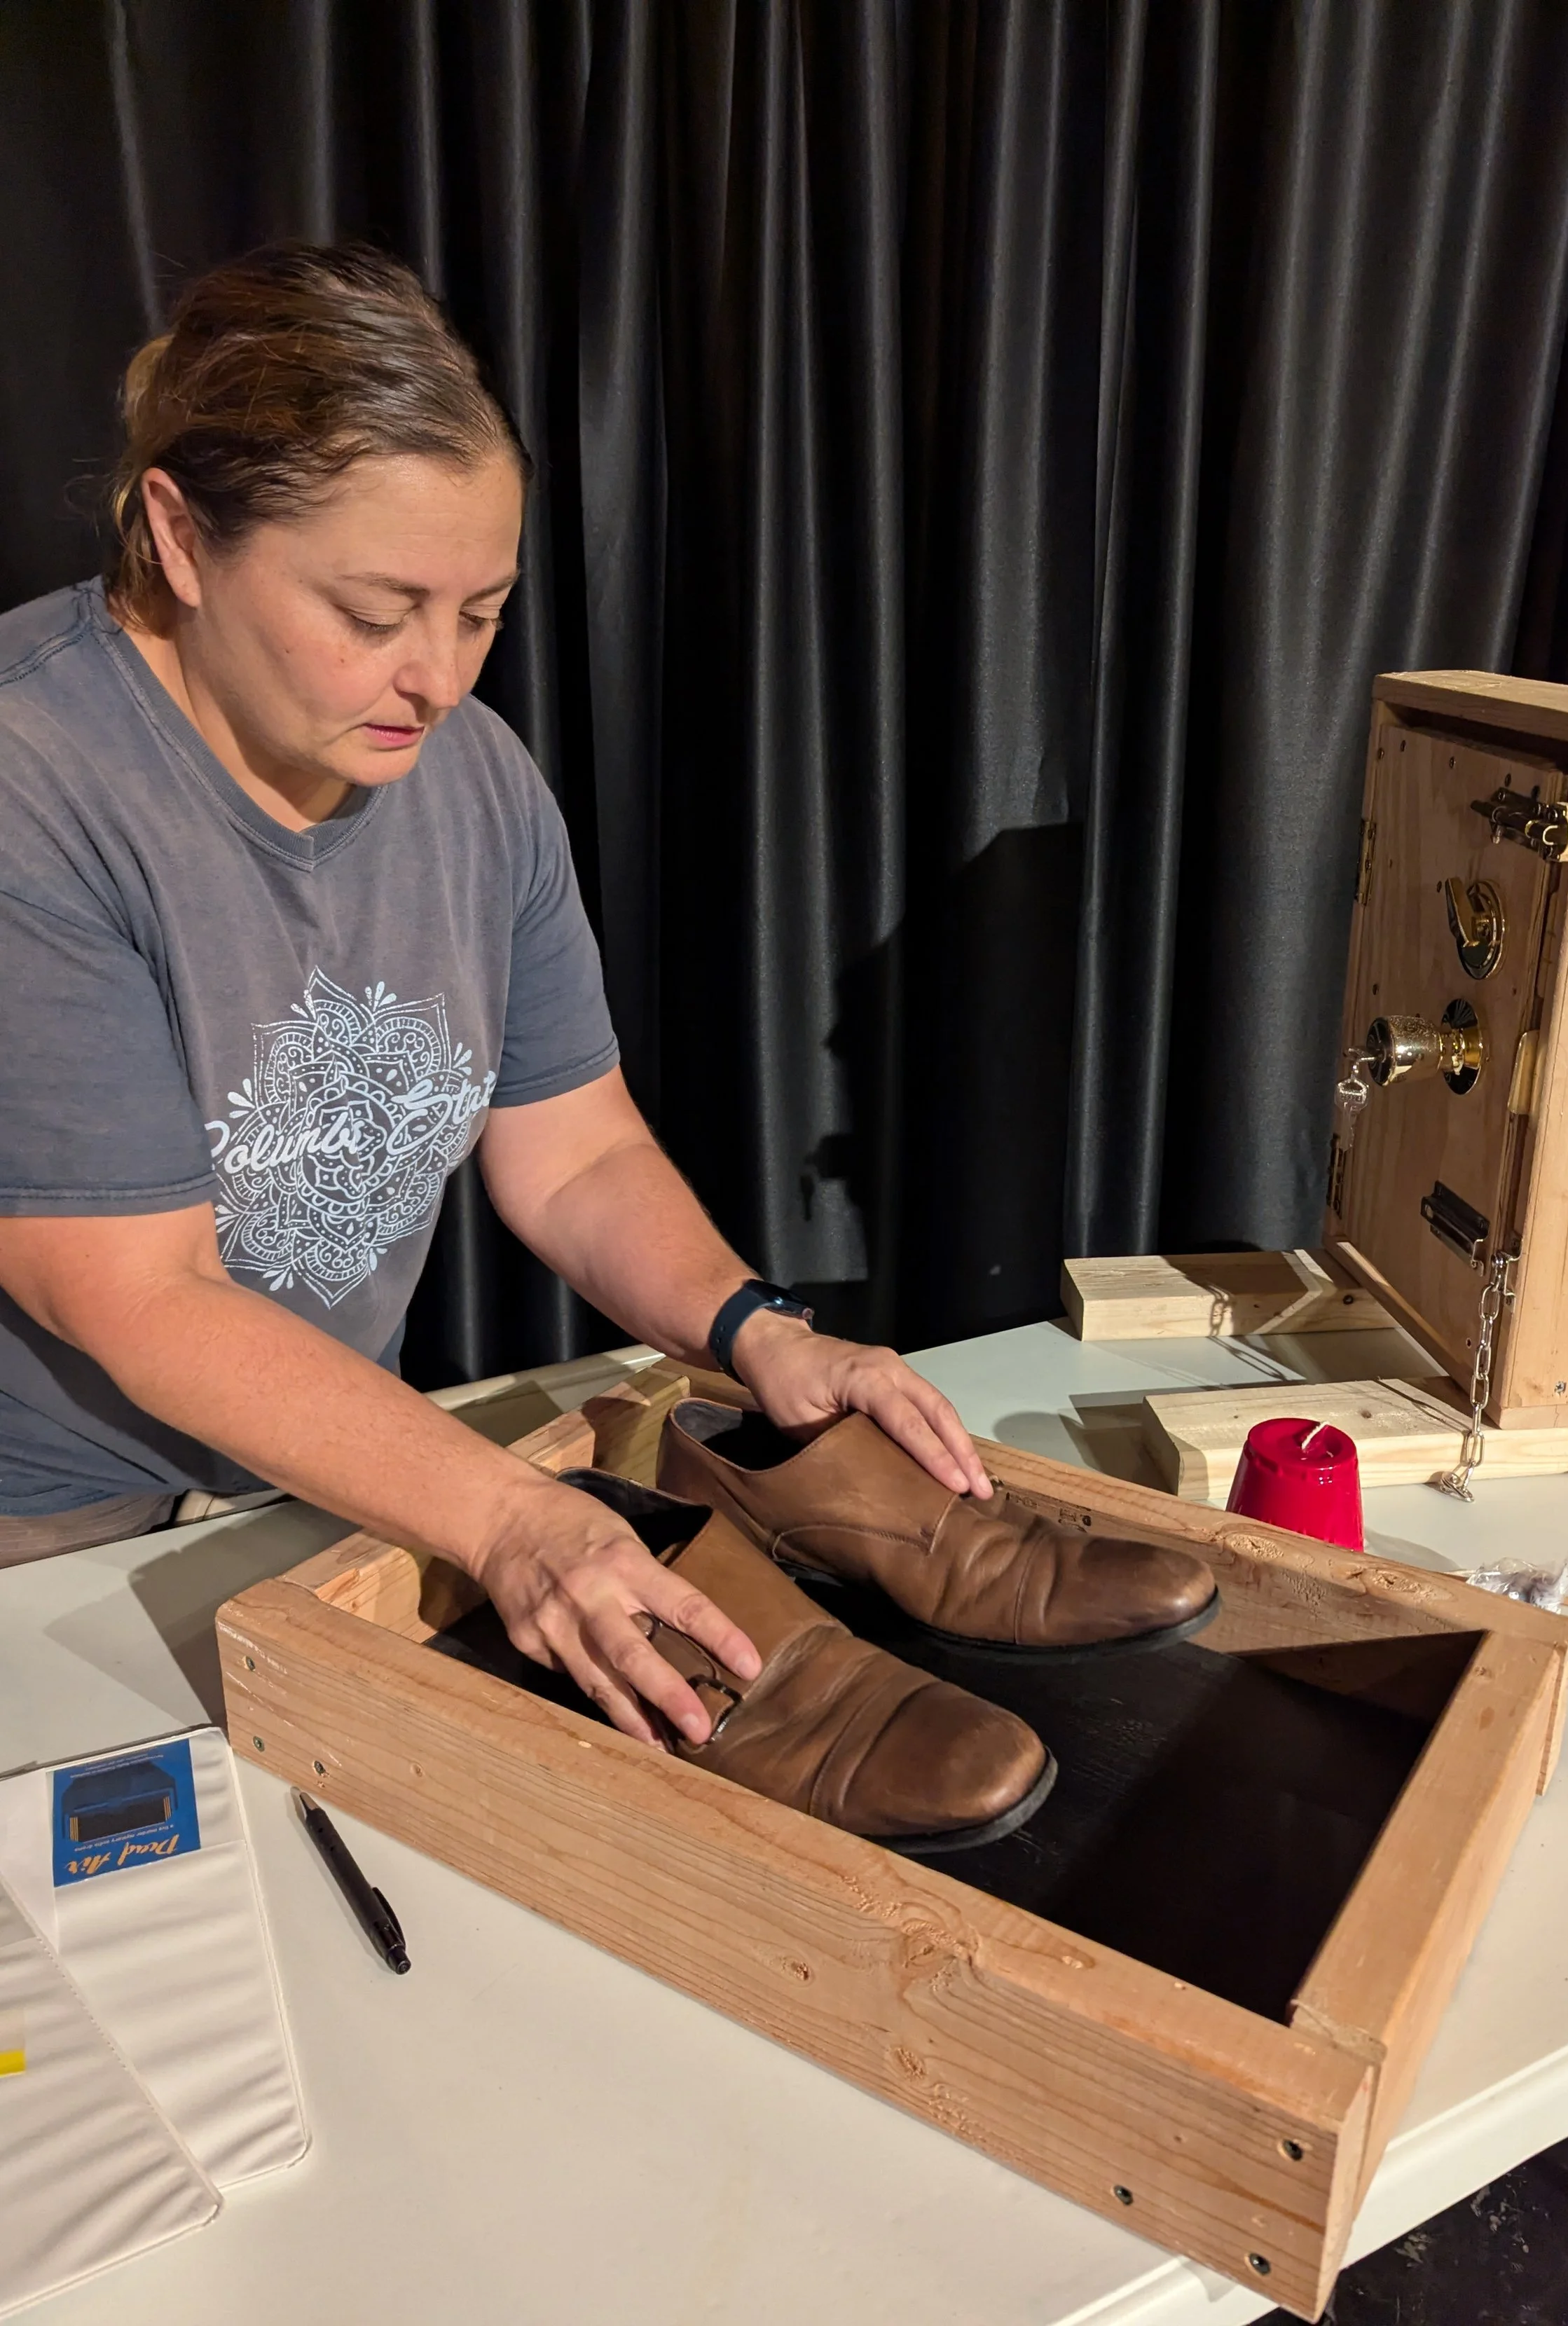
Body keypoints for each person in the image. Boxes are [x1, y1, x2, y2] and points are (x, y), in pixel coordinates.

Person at [0, 242, 994, 1752]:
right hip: (53, 1541)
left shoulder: (469, 774)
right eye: (377, 608)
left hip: (320, 1482)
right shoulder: (35, 784)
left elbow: (574, 1149)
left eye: (481, 611)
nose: (440, 677)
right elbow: (144, 1298)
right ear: (181, 535)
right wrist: (511, 1520)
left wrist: (753, 1329)